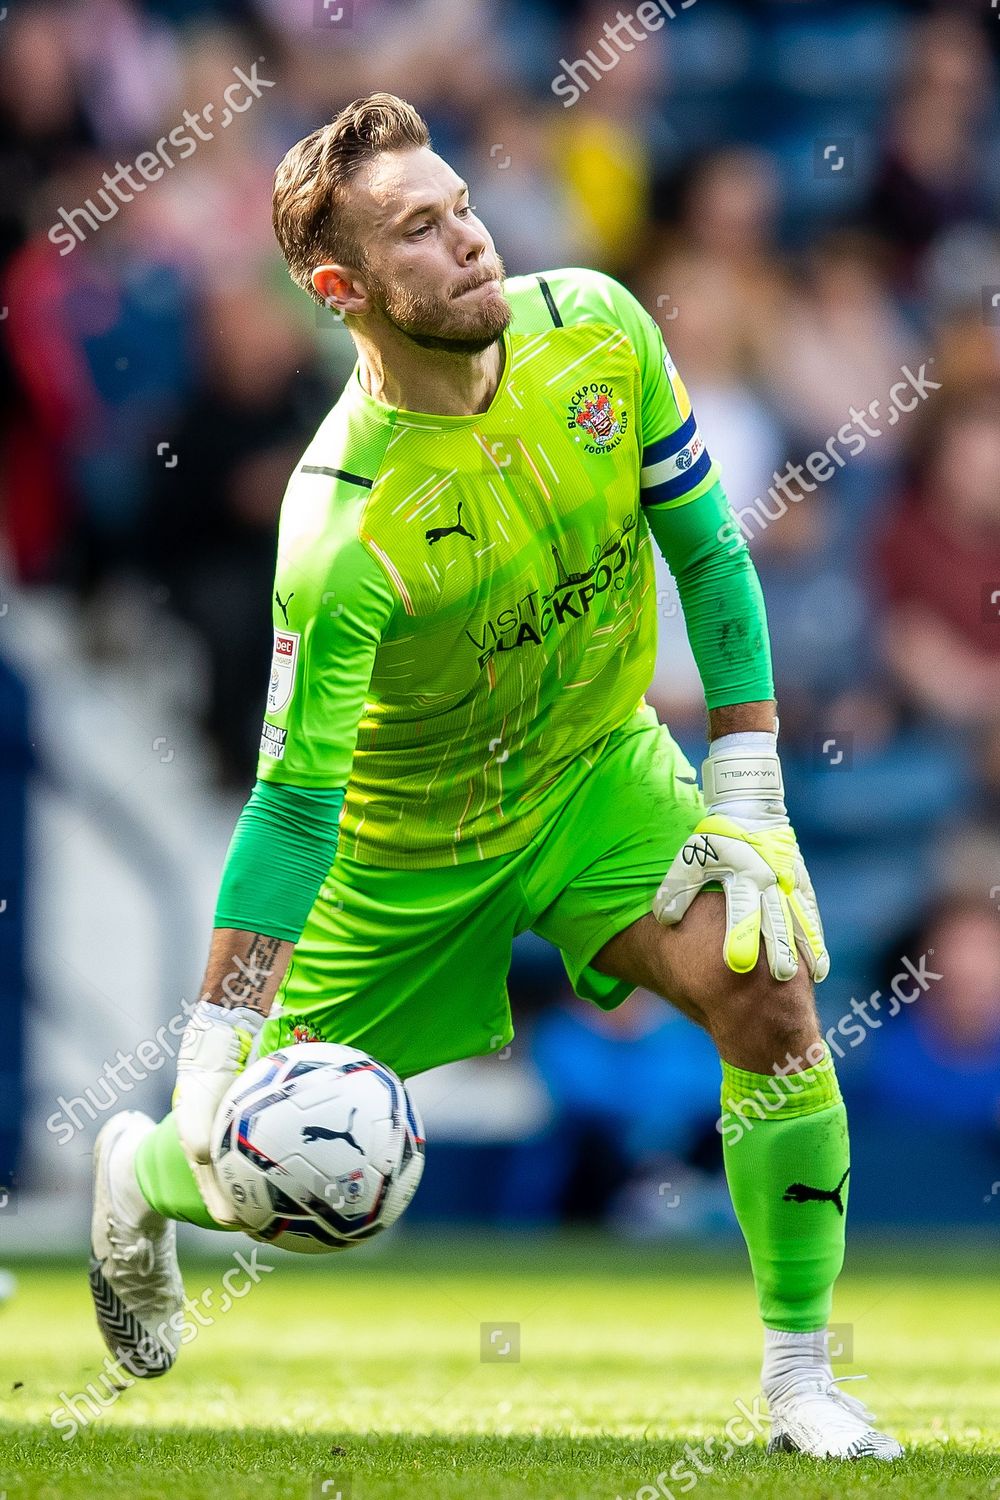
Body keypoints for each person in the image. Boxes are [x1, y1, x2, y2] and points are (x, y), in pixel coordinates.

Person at [88, 92, 900, 1461]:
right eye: (419, 230)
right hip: (402, 855)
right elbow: (290, 803)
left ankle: (802, 1384)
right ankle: (140, 1170)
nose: (468, 240)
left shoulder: (596, 324)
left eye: (460, 204)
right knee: (246, 1169)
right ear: (341, 287)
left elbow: (706, 552)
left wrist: (745, 777)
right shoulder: (338, 527)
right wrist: (216, 1055)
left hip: (596, 775)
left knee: (771, 998)